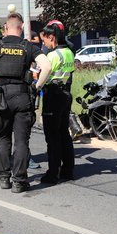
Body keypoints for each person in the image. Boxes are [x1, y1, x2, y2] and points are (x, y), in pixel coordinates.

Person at [0, 12, 50, 193]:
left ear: (6, 27)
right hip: (22, 96)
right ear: (21, 28)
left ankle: (4, 178)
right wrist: (37, 86)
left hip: (0, 97)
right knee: (21, 141)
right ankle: (19, 181)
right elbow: (47, 66)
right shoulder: (28, 47)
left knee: (2, 139)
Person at [38, 23, 76, 185]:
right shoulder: (69, 52)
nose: (44, 44)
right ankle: (68, 170)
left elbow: (43, 73)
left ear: (51, 38)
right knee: (64, 134)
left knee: (52, 136)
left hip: (53, 96)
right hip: (66, 94)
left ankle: (53, 173)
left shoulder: (53, 56)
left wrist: (37, 85)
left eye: (45, 40)